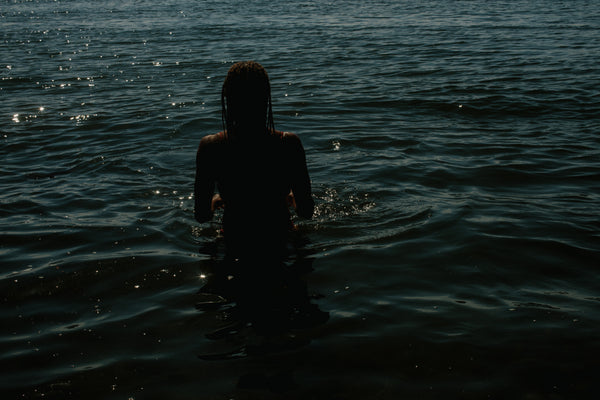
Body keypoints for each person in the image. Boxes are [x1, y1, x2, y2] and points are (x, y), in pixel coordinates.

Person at [194, 61, 314, 260]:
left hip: (234, 243)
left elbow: (202, 216)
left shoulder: (211, 146)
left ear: (228, 99)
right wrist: (289, 197)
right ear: (265, 99)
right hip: (281, 241)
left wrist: (216, 200)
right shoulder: (288, 144)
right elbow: (307, 211)